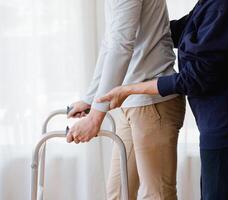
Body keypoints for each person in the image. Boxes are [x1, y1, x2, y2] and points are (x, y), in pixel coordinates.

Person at [98, 0, 228, 199]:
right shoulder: (209, 4)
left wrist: (130, 90)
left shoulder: (225, 5)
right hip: (222, 123)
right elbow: (182, 31)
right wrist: (144, 24)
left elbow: (194, 79)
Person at [66, 0, 186, 199]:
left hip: (153, 103)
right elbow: (110, 42)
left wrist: (95, 118)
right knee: (119, 192)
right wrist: (92, 98)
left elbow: (121, 46)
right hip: (130, 102)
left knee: (157, 195)